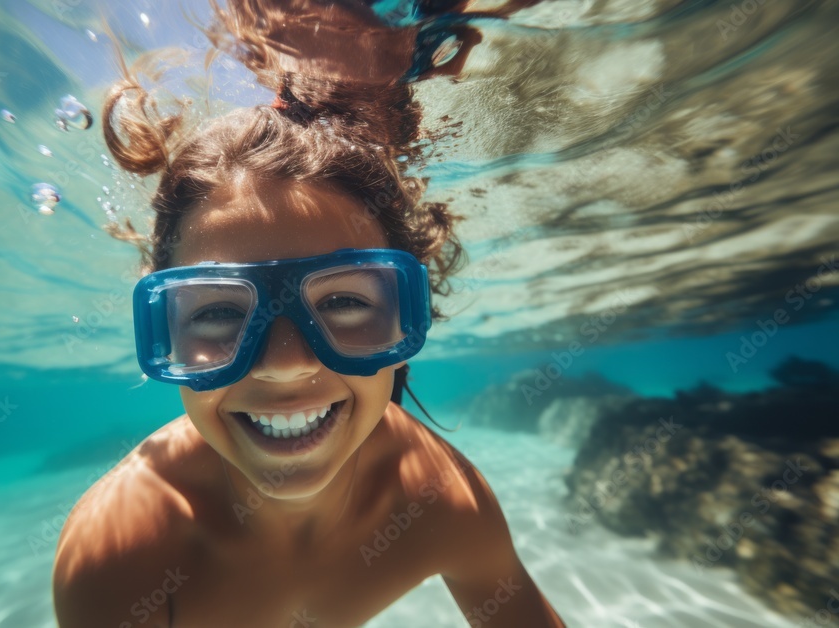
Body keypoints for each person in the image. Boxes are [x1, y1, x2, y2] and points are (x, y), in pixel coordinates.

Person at [52, 8, 565, 628]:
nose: (286, 363)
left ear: (404, 319)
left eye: (346, 302)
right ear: (168, 332)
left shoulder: (436, 500)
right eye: (216, 311)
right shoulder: (122, 555)